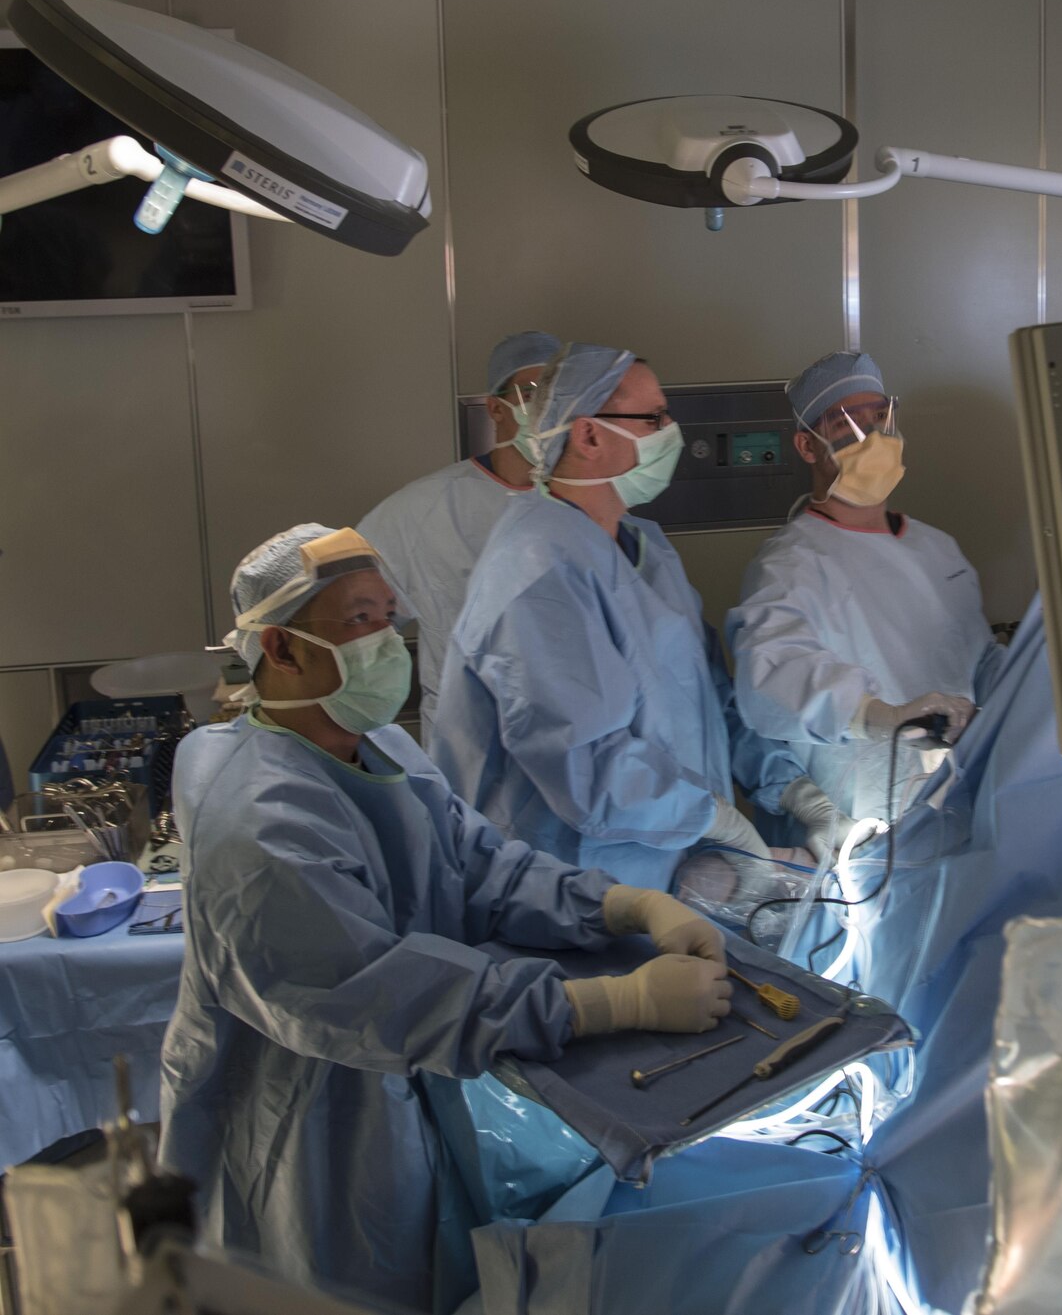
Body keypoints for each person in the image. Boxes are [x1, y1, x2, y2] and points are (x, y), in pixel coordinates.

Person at [158, 524, 734, 1312]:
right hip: (308, 1135)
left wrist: (619, 906)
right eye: (360, 621)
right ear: (280, 649)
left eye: (390, 617)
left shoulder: (381, 748)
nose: (387, 642)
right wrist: (608, 1003)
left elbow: (476, 866)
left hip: (399, 1099)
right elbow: (373, 993)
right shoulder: (257, 822)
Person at [431, 344, 804, 892]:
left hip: (669, 868)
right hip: (574, 890)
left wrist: (792, 790)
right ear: (588, 436)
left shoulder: (644, 549)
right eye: (653, 419)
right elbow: (587, 767)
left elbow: (708, 694)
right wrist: (712, 820)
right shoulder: (535, 574)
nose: (671, 432)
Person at [727, 350, 1002, 848]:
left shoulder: (938, 548)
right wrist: (879, 716)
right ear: (807, 447)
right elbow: (773, 678)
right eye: (846, 421)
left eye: (880, 416)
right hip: (865, 827)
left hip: (962, 803)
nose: (871, 435)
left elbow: (974, 658)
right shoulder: (790, 566)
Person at [356, 331, 554, 732]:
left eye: (560, 396)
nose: (548, 411)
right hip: (469, 744)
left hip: (576, 738)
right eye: (533, 394)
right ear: (495, 409)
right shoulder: (422, 511)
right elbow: (346, 623)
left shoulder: (590, 508)